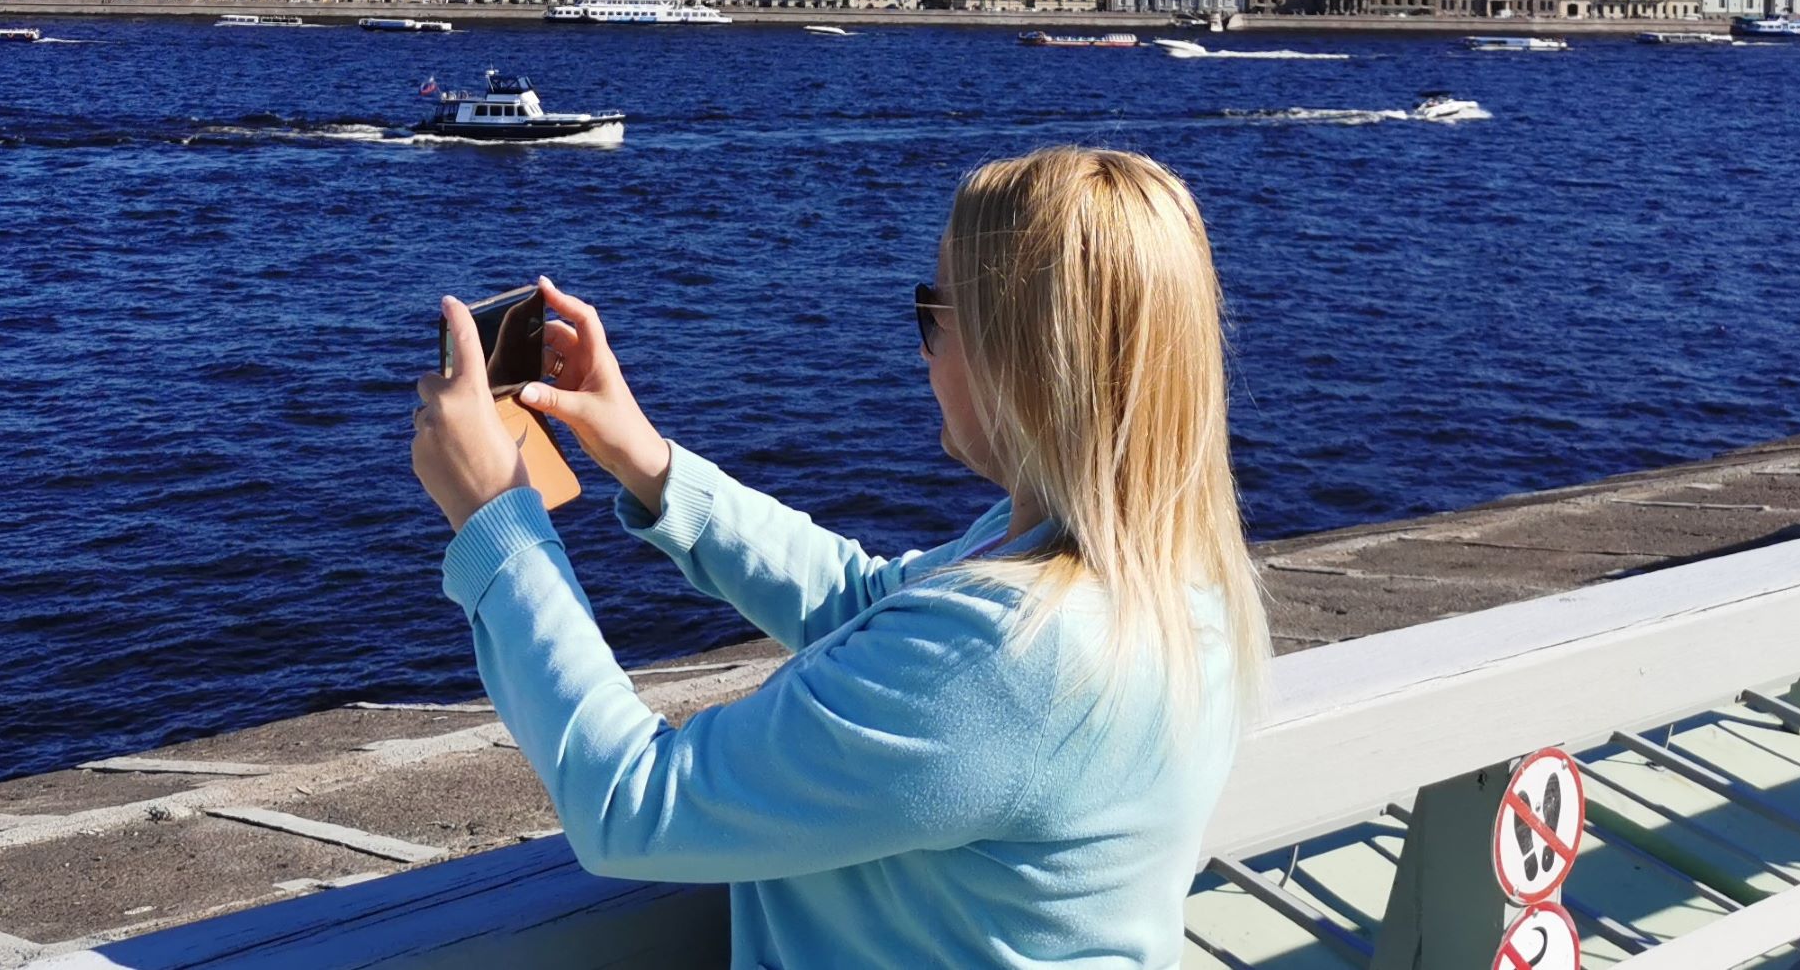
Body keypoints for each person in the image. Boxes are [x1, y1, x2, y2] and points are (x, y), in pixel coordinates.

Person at [411, 145, 1270, 967]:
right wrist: (646, 457)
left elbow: (633, 803)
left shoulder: (1006, 652)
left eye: (934, 315)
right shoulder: (1154, 574)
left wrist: (499, 523)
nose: (921, 347)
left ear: (1025, 359)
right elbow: (868, 601)